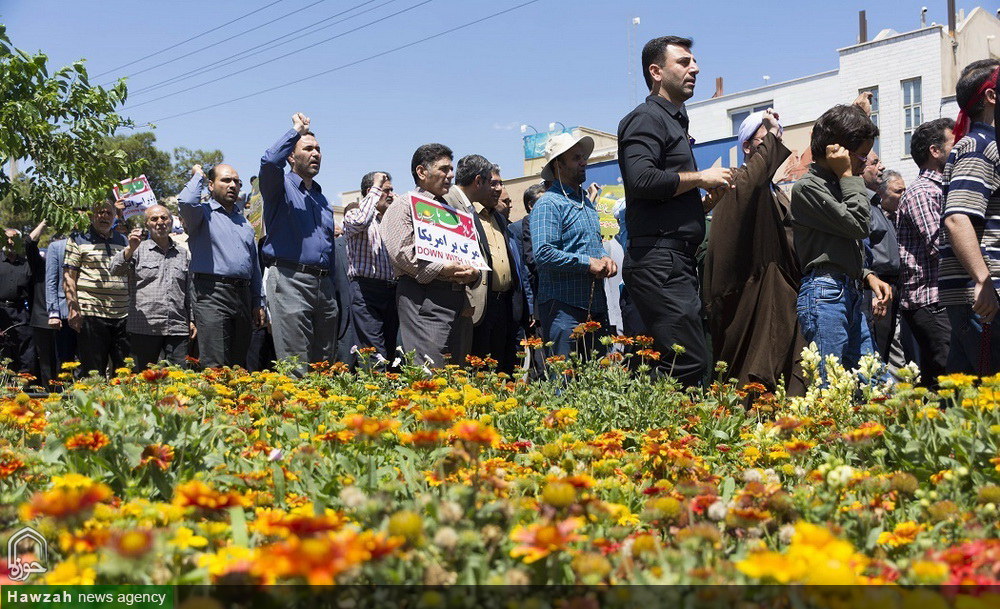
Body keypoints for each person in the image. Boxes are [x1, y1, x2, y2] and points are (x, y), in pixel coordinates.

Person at [617, 35, 733, 386]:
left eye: (693, 62)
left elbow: (660, 194)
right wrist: (701, 177)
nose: (694, 68)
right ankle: (667, 439)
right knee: (687, 362)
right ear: (656, 71)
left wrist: (700, 205)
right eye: (683, 62)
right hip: (659, 261)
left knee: (680, 360)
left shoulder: (672, 122)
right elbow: (641, 180)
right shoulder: (646, 119)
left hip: (672, 261)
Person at [703, 109, 805, 393]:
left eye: (777, 139)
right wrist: (771, 131)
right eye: (766, 142)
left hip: (782, 298)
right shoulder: (735, 183)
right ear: (747, 147)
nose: (773, 146)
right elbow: (753, 178)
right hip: (748, 301)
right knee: (751, 383)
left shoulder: (775, 190)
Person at [791, 103, 889, 381]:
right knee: (830, 385)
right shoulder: (808, 188)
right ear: (839, 151)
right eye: (862, 155)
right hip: (825, 293)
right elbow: (858, 225)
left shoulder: (837, 185)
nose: (865, 162)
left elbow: (842, 242)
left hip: (848, 289)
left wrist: (867, 274)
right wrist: (848, 175)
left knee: (875, 381)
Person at [381, 143, 480, 367]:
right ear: (421, 172)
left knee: (456, 375)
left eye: (451, 169)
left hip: (458, 302)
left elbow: (472, 254)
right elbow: (402, 253)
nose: (451, 175)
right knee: (430, 374)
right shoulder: (404, 205)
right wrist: (443, 268)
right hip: (424, 300)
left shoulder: (455, 212)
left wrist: (473, 273)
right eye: (444, 169)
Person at [259, 113, 341, 369]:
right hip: (290, 280)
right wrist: (295, 131)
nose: (316, 153)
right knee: (295, 364)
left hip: (324, 287)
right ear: (291, 157)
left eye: (318, 149)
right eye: (308, 148)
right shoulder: (278, 187)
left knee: (323, 365)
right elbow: (270, 161)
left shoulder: (322, 199)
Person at [939, 60, 1000, 374]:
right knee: (988, 402)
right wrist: (983, 280)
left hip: (982, 298)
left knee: (968, 403)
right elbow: (957, 218)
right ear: (991, 96)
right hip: (984, 299)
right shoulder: (979, 146)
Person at [531, 132, 615, 357]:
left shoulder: (585, 202)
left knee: (596, 380)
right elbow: (544, 253)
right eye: (576, 158)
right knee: (566, 382)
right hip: (564, 309)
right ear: (558, 164)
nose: (584, 162)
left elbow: (592, 246)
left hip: (594, 307)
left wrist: (604, 259)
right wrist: (588, 263)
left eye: (583, 157)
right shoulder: (549, 204)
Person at [178, 164, 264, 369]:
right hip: (211, 293)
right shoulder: (201, 214)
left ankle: (235, 402)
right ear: (211, 185)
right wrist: (198, 175)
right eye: (226, 180)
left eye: (236, 181)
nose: (232, 185)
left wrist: (257, 301)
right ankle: (214, 401)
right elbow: (186, 201)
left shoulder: (244, 222)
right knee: (215, 364)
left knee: (238, 365)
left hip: (242, 295)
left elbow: (253, 266)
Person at [444, 156, 523, 373]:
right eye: (493, 183)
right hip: (481, 305)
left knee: (504, 367)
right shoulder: (462, 212)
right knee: (480, 368)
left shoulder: (499, 219)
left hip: (505, 304)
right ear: (479, 182)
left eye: (501, 183)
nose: (498, 189)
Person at [896, 118, 955, 386]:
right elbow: (939, 246)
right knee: (947, 377)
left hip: (941, 300)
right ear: (935, 150)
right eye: (953, 143)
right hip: (930, 301)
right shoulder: (922, 192)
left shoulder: (942, 189)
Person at [110, 205, 193, 370]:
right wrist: (130, 249)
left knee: (180, 379)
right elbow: (115, 269)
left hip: (177, 327)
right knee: (143, 380)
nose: (160, 222)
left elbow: (189, 290)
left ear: (171, 222)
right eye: (154, 219)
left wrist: (192, 319)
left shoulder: (182, 253)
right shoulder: (137, 249)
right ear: (147, 224)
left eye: (164, 218)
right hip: (144, 327)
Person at [63, 199, 130, 376]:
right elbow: (69, 276)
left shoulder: (123, 240)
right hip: (91, 314)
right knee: (93, 373)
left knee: (123, 372)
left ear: (115, 216)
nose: (104, 216)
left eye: (109, 213)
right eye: (100, 212)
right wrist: (73, 308)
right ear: (92, 215)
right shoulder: (78, 238)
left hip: (122, 315)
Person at [343, 171, 400, 362]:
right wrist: (376, 187)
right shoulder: (354, 214)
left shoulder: (390, 220)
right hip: (366, 291)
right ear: (372, 192)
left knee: (390, 350)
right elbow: (360, 221)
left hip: (392, 291)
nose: (391, 194)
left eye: (392, 190)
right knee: (374, 350)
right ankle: (374, 387)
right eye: (387, 190)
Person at [862, 152, 903, 364]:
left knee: (885, 351)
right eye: (875, 162)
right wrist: (875, 293)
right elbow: (863, 251)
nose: (881, 166)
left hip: (890, 287)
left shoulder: (876, 204)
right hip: (877, 287)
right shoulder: (863, 205)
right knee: (874, 355)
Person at [1, 222, 45, 375]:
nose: (10, 242)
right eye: (7, 239)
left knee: (26, 350)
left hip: (22, 313)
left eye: (14, 239)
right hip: (1, 312)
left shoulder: (27, 264)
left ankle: (25, 384)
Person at [42, 233, 76, 388]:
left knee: (88, 363)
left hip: (90, 312)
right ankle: (64, 401)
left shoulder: (92, 245)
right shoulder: (56, 247)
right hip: (63, 313)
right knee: (65, 362)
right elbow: (51, 281)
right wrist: (53, 312)